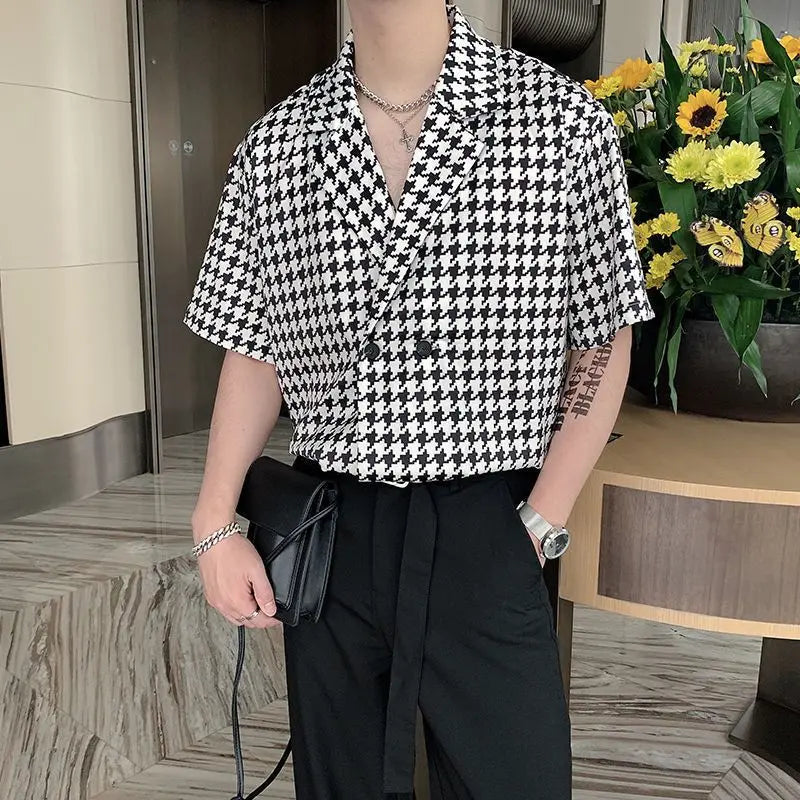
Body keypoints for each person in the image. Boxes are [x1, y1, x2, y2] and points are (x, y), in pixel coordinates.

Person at [183, 0, 655, 798]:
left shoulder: (558, 121)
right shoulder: (278, 144)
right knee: (342, 782)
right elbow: (256, 346)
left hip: (488, 522)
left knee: (516, 780)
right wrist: (214, 521)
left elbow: (602, 333)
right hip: (335, 527)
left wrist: (543, 518)